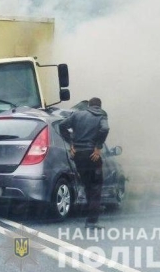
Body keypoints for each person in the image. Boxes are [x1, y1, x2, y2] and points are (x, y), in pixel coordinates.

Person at [59, 97, 109, 229]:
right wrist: (98, 147)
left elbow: (62, 125)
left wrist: (71, 144)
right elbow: (105, 129)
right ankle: (92, 221)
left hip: (78, 155)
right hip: (92, 155)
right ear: (99, 106)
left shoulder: (77, 115)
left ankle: (89, 214)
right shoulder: (101, 114)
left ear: (88, 105)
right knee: (96, 187)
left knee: (87, 185)